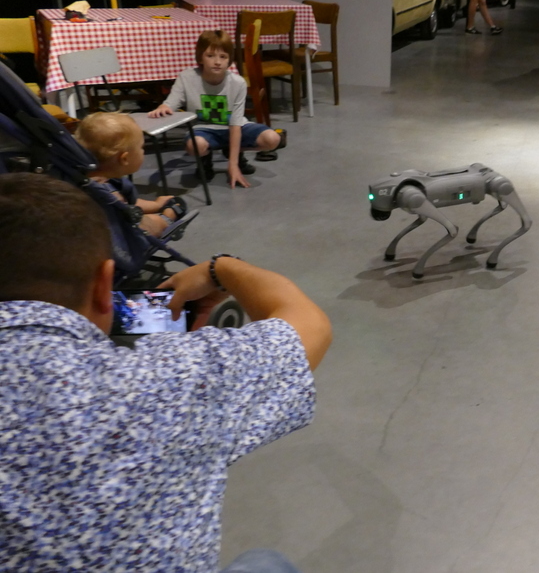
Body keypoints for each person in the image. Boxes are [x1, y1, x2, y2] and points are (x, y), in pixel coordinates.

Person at [0, 173, 332, 572]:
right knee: (267, 562)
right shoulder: (168, 378)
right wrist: (221, 269)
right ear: (104, 285)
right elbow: (310, 327)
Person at [149, 30, 281, 189]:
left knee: (272, 139)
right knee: (195, 145)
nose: (217, 62)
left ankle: (234, 154)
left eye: (223, 57)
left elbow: (235, 124)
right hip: (203, 129)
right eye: (210, 56)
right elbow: (171, 103)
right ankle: (205, 160)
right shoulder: (186, 77)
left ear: (230, 60)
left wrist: (232, 164)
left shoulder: (238, 83)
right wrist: (163, 107)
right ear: (200, 58)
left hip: (234, 127)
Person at [75, 111, 182, 238]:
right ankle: (167, 219)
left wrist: (156, 205)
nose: (143, 151)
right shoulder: (109, 197)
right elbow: (139, 228)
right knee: (167, 213)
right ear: (124, 159)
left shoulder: (85, 178)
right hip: (120, 236)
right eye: (141, 147)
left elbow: (129, 204)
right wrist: (166, 217)